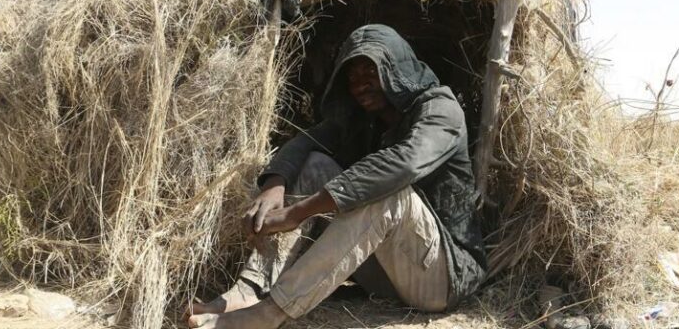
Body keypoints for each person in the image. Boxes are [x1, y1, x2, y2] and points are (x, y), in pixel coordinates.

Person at [187, 24, 486, 329]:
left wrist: (297, 212)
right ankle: (250, 290)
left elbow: (403, 164)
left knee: (387, 194)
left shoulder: (441, 110)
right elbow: (306, 142)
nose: (360, 85)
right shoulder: (364, 121)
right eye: (352, 77)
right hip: (384, 275)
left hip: (442, 277)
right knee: (317, 163)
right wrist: (275, 182)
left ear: (395, 67)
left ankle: (270, 313)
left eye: (370, 71)